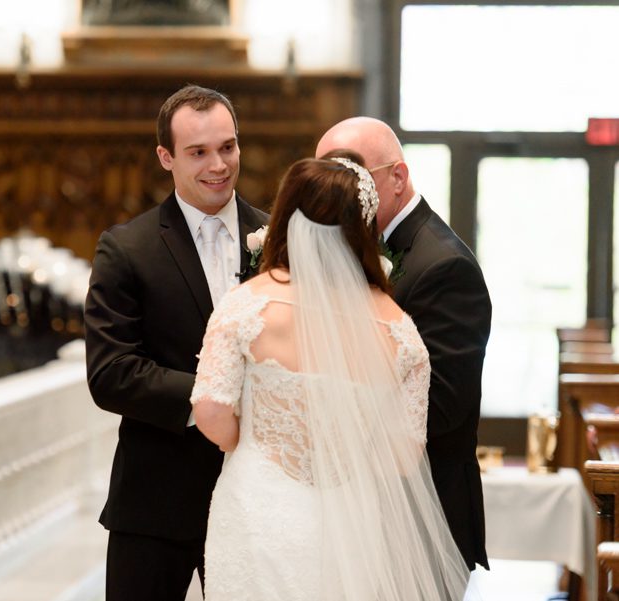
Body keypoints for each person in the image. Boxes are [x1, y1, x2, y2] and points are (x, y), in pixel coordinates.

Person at [191, 155, 473, 600]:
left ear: (284, 215)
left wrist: (247, 444)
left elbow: (209, 411)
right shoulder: (399, 329)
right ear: (362, 229)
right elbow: (403, 455)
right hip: (352, 519)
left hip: (259, 505)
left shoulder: (247, 305)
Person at [85, 84, 268, 600]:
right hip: (154, 504)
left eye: (228, 147)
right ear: (165, 157)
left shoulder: (278, 241)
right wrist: (215, 399)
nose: (218, 165)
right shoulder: (126, 248)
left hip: (255, 499)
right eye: (198, 152)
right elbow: (111, 373)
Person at [315, 117, 492, 571]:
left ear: (398, 176)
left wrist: (332, 427)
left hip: (423, 519)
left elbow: (444, 404)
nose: (338, 193)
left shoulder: (444, 267)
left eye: (353, 177)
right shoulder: (352, 246)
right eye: (328, 177)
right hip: (364, 515)